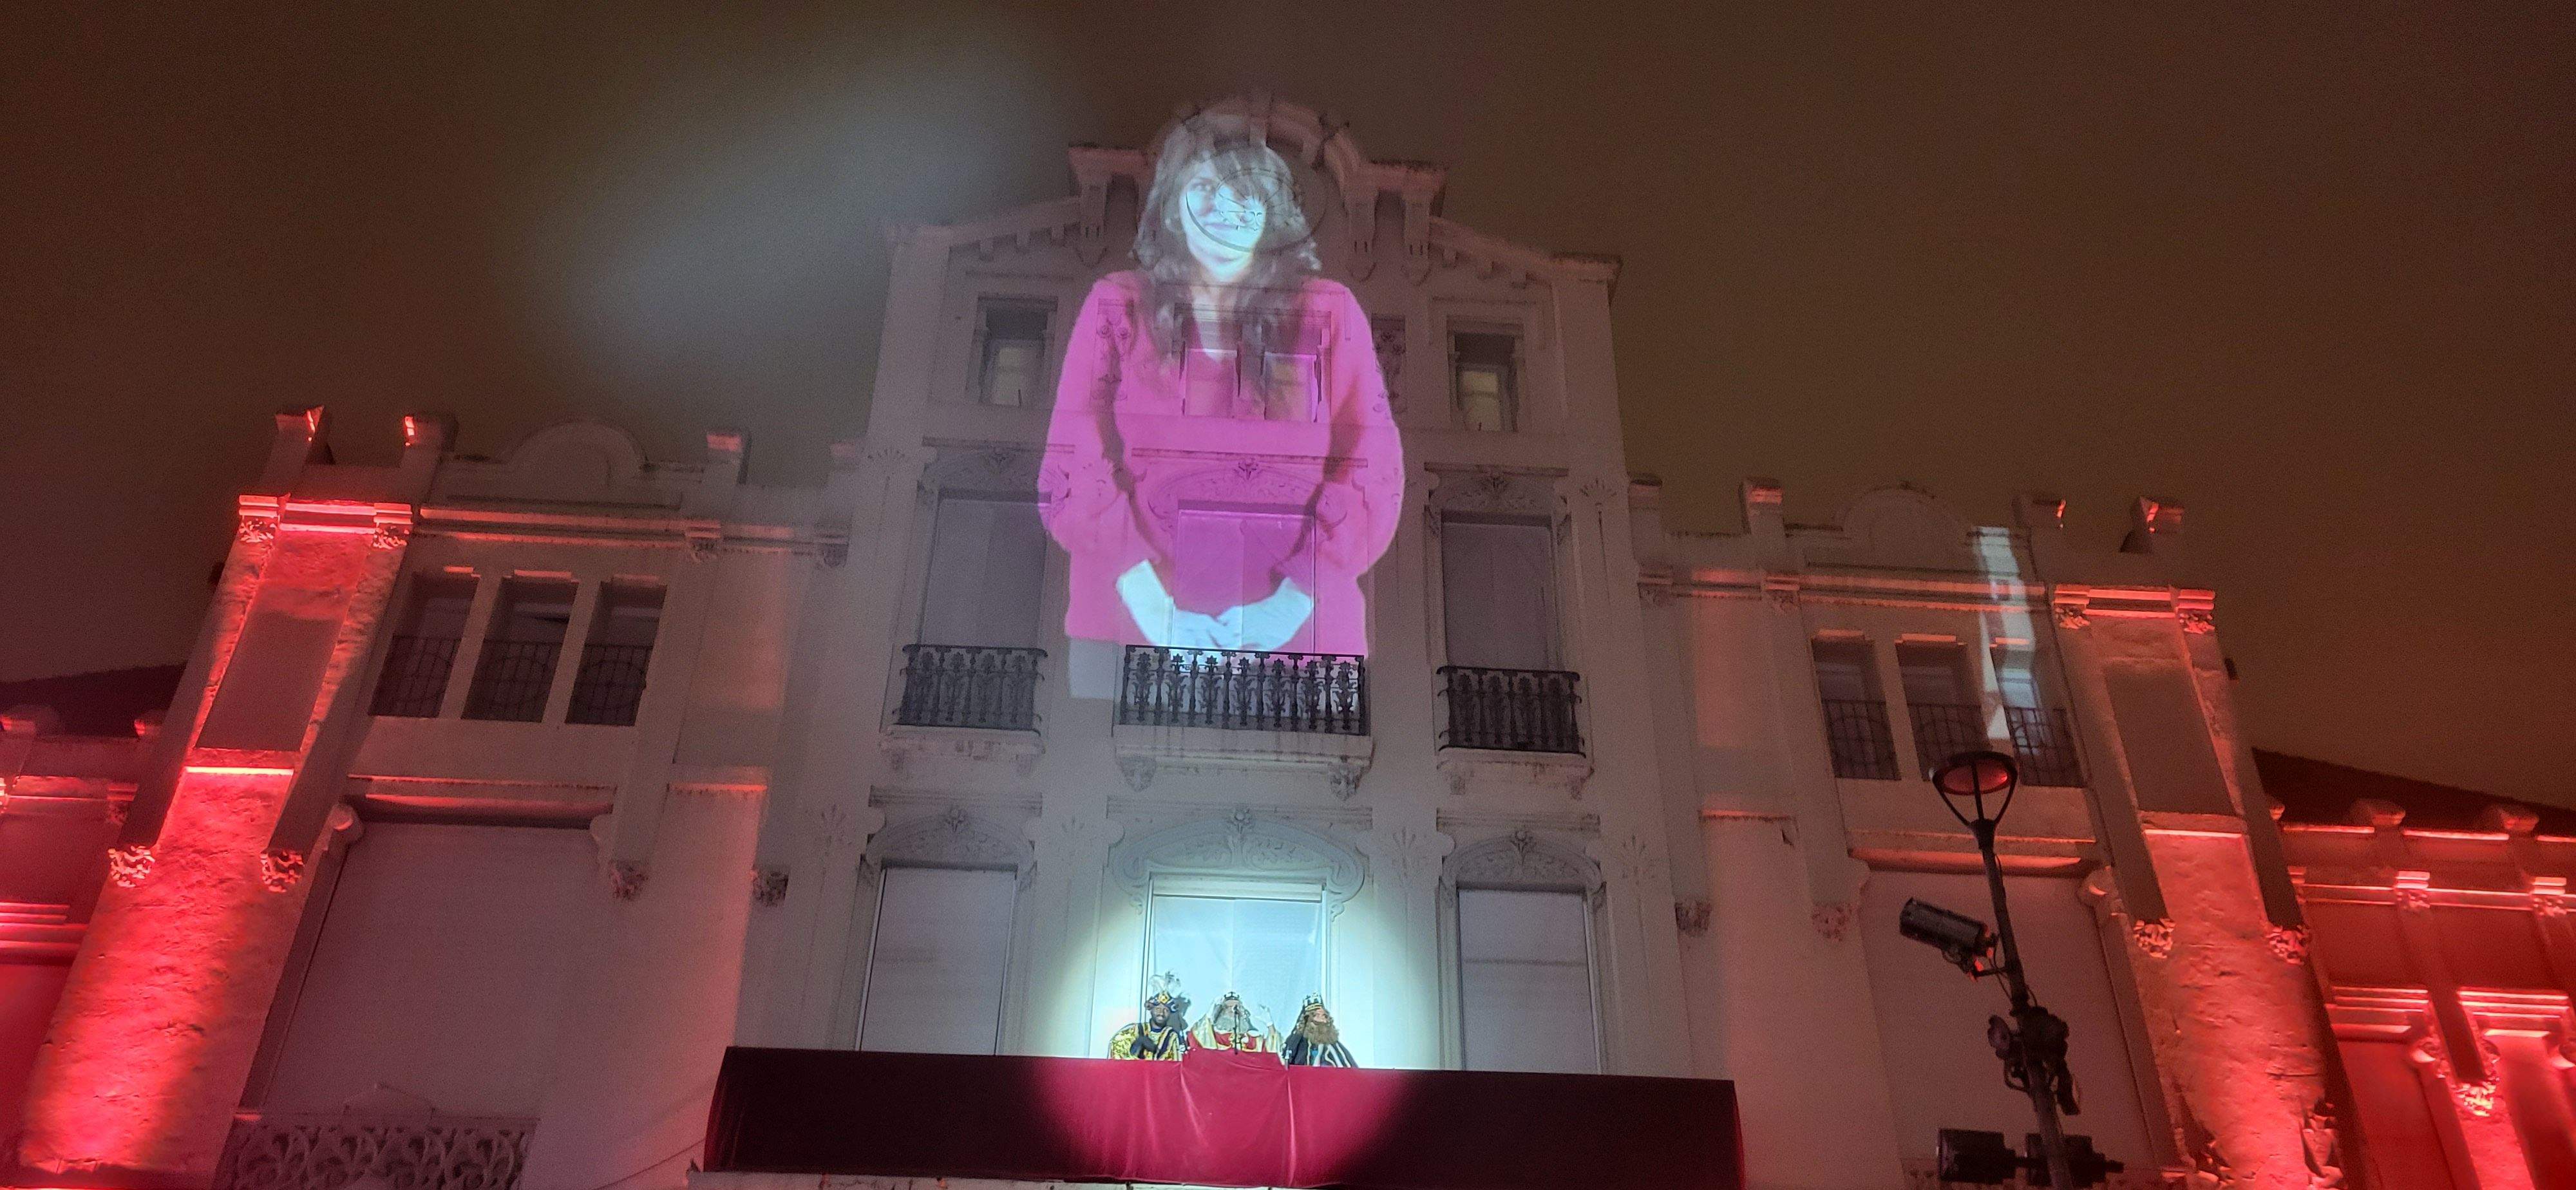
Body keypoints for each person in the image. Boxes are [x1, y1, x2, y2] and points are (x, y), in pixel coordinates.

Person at [1041, 113, 1403, 658]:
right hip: (1131, 635)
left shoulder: (1327, 311)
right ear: (1172, 204)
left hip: (1304, 640)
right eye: (1204, 189)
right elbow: (1074, 459)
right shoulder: (1118, 303)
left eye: (1246, 192)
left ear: (1271, 213)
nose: (1224, 208)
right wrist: (1152, 608)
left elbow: (1373, 469)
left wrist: (1286, 606)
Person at [1106, 974, 1191, 1061]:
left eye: (1166, 1010)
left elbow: (1176, 1065)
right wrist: (1135, 1047)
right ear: (1151, 1009)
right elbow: (1117, 1053)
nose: (1161, 1013)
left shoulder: (1173, 1037)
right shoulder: (1133, 1031)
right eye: (1158, 1009)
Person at [1187, 990, 1282, 1055]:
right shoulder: (1215, 1037)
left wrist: (1270, 1025)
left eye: (1237, 1008)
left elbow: (1272, 1053)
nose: (1233, 1011)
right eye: (1229, 1008)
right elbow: (1198, 1037)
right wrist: (1208, 1015)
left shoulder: (1252, 1041)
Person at [1280, 994, 1356, 1067]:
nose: (1323, 1020)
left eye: (1324, 1016)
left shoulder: (1336, 1047)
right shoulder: (1298, 1045)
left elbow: (1350, 1071)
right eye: (1317, 1015)